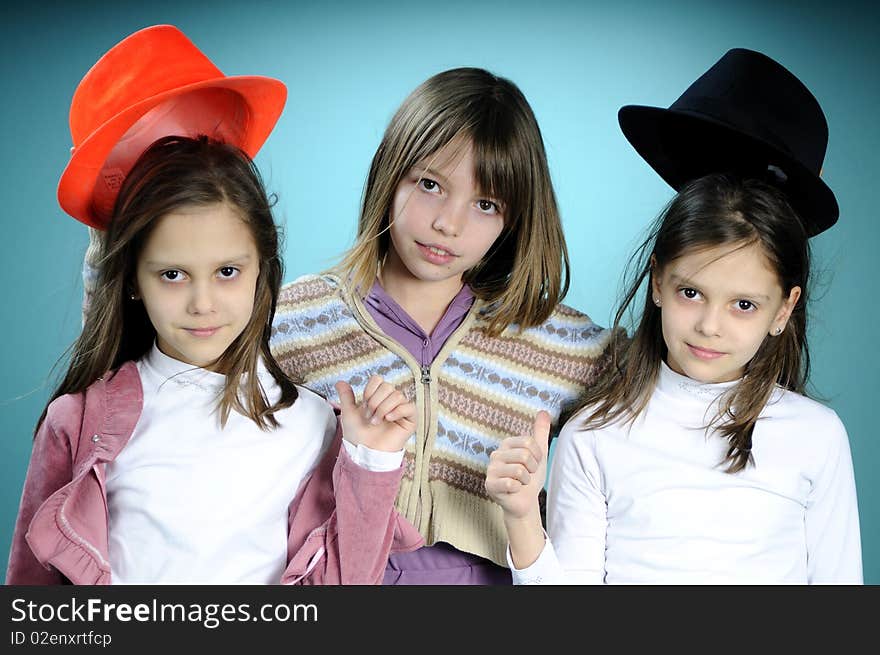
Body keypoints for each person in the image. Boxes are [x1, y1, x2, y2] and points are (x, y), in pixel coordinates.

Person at [8, 22, 423, 585]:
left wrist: (372, 463)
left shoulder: (313, 428)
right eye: (173, 275)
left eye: (228, 272)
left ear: (262, 273)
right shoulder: (80, 424)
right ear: (133, 280)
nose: (203, 303)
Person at [486, 48, 863, 584]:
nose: (710, 325)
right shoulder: (595, 434)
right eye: (691, 292)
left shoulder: (816, 437)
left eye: (744, 305)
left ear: (784, 310)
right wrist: (522, 519)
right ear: (659, 282)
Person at [270, 67, 614, 584]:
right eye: (430, 185)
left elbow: (686, 377)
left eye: (485, 204)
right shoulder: (295, 320)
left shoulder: (557, 344)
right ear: (390, 174)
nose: (448, 224)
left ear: (513, 219)